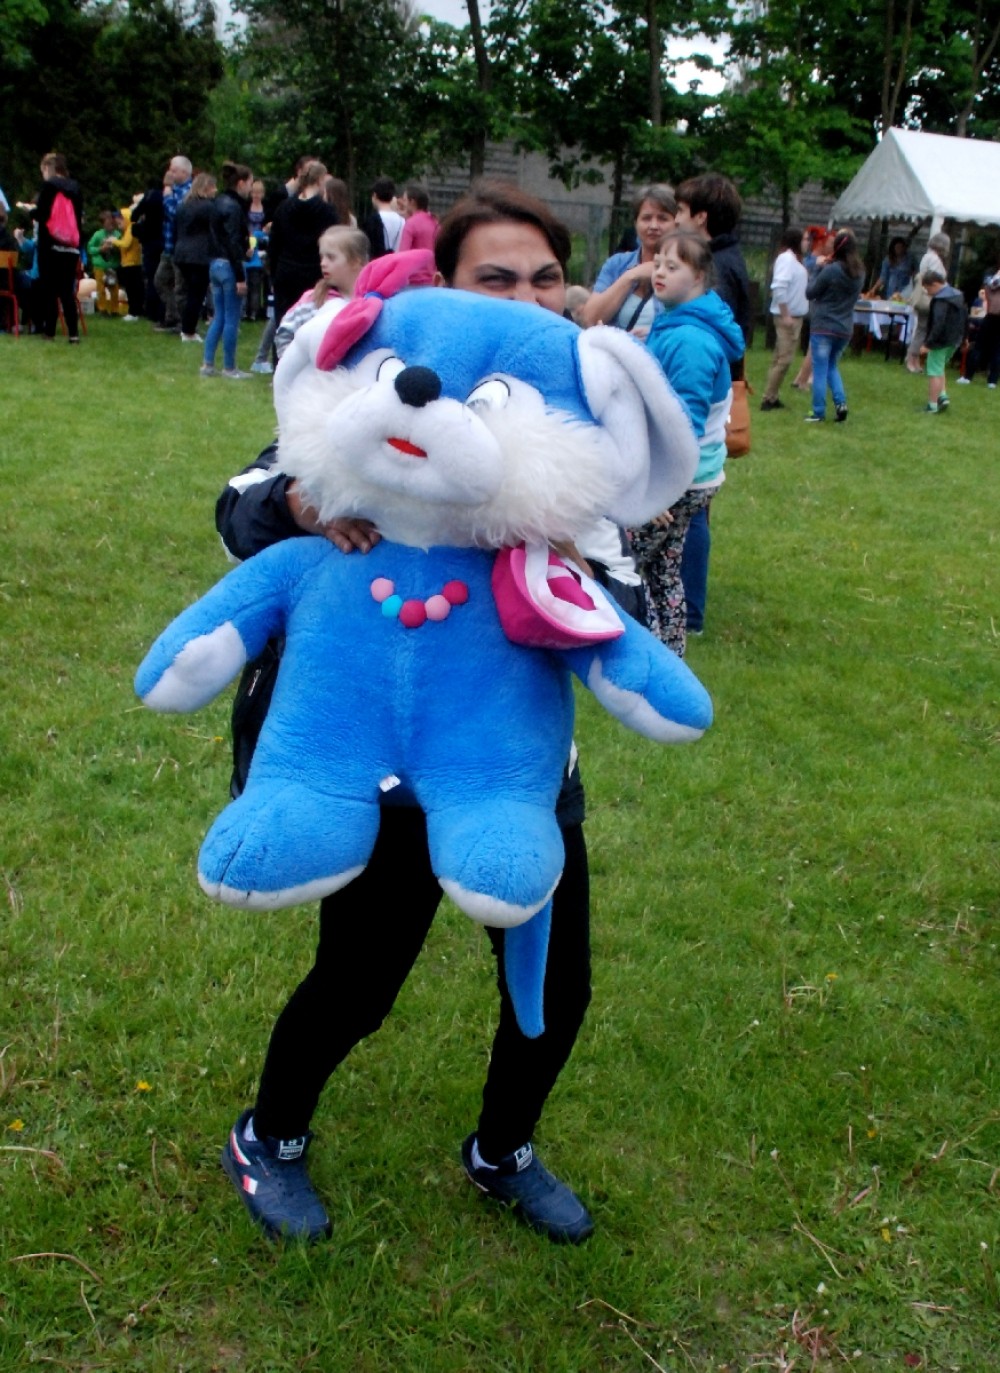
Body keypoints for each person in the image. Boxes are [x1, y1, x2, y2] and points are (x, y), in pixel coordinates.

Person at [213, 180, 655, 1248]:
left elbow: (630, 604)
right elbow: (240, 504)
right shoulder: (372, 396)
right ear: (441, 286)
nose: (527, 298)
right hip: (377, 767)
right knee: (359, 980)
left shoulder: (573, 437)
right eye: (495, 278)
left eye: (545, 278)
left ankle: (502, 1150)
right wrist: (306, 504)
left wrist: (559, 571)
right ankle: (268, 1134)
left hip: (515, 768)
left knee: (552, 987)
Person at [628, 230, 743, 657]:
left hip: (679, 477)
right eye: (657, 263)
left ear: (698, 277)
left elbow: (682, 425)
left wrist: (658, 486)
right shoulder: (679, 321)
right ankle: (669, 656)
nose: (659, 272)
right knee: (663, 570)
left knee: (622, 560)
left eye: (672, 267)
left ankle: (632, 652)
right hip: (691, 475)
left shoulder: (691, 340)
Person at [673, 173, 750, 639]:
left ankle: (690, 611)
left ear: (700, 218)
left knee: (695, 506)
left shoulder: (717, 267)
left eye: (680, 212)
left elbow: (708, 346)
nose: (675, 221)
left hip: (706, 402)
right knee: (697, 506)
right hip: (715, 395)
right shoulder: (728, 258)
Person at [580, 184, 675, 337]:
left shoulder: (686, 271)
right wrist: (630, 276)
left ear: (676, 224)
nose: (653, 226)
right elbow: (590, 319)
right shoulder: (617, 264)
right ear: (636, 223)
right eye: (646, 218)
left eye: (662, 218)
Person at [273, 225, 369, 355]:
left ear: (355, 262)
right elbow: (285, 334)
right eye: (322, 257)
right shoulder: (313, 301)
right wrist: (299, 363)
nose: (323, 263)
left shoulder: (374, 300)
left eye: (331, 257)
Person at [267, 160, 340, 333]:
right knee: (312, 327)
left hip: (286, 273)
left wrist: (273, 274)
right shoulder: (327, 212)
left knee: (284, 325)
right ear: (320, 180)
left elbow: (274, 246)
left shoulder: (284, 208)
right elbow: (335, 245)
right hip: (314, 275)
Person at [804, 229, 864, 423]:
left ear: (837, 247)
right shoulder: (859, 273)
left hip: (824, 326)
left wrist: (817, 269)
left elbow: (810, 292)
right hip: (845, 328)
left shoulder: (831, 270)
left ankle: (818, 411)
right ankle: (841, 403)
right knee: (831, 366)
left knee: (820, 369)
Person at [201, 162, 253, 379]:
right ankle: (229, 367)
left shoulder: (217, 202)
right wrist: (240, 275)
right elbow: (232, 241)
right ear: (241, 183)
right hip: (229, 265)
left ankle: (208, 363)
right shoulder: (234, 207)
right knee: (232, 318)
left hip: (214, 263)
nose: (251, 188)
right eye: (250, 183)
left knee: (219, 316)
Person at [27, 151, 84, 343]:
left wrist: (31, 211)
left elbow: (42, 214)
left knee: (49, 290)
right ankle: (73, 334)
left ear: (48, 168)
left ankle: (49, 332)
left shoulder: (49, 186)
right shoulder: (75, 187)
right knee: (67, 291)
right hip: (71, 245)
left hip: (50, 244)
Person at [760, 227, 808, 411]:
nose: (807, 243)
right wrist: (786, 314)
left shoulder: (794, 260)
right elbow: (779, 287)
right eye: (804, 239)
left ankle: (772, 395)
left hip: (794, 315)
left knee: (780, 357)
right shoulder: (787, 259)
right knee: (784, 360)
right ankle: (768, 398)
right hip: (787, 317)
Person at [174, 172, 217, 343]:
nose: (216, 190)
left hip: (181, 253)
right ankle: (189, 330)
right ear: (206, 187)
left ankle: (186, 326)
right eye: (213, 187)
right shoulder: (208, 207)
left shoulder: (183, 205)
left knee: (188, 293)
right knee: (196, 294)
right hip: (199, 255)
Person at [919, 270, 968, 414]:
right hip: (955, 340)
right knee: (940, 367)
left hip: (940, 341)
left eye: (927, 288)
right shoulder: (958, 295)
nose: (928, 292)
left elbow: (938, 323)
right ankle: (942, 395)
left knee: (934, 371)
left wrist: (928, 344)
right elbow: (965, 317)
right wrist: (965, 337)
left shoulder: (941, 299)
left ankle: (932, 405)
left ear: (934, 284)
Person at [154, 155, 193, 333]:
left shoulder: (189, 192)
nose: (169, 173)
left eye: (173, 170)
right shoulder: (174, 189)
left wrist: (168, 191)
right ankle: (172, 316)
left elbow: (175, 214)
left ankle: (184, 324)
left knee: (180, 288)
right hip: (168, 247)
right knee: (160, 281)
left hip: (180, 248)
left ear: (184, 172)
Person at [906, 232, 951, 374]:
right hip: (927, 298)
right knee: (923, 330)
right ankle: (911, 359)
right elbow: (935, 279)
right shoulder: (934, 259)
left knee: (922, 329)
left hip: (923, 297)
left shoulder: (927, 256)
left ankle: (915, 360)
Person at [957, 261, 1000, 389]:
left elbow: (990, 285)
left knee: (979, 346)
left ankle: (968, 376)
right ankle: (992, 381)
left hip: (991, 315)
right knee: (997, 349)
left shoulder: (992, 277)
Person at [114, 197, 146, 321]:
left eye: (120, 219)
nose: (118, 222)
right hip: (129, 263)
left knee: (132, 289)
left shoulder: (131, 229)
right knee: (133, 289)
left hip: (132, 264)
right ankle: (136, 311)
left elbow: (126, 244)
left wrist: (114, 241)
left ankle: (133, 312)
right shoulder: (128, 229)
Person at [87, 210, 122, 316]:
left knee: (114, 288)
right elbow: (90, 248)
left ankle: (114, 309)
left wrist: (116, 247)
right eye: (108, 223)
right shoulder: (98, 235)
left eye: (112, 223)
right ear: (103, 224)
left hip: (112, 266)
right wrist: (100, 249)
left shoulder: (118, 234)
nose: (110, 225)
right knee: (101, 288)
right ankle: (102, 309)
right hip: (100, 266)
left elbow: (122, 248)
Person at [362, 176, 404, 259]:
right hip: (398, 261)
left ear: (374, 195)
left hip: (378, 262)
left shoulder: (372, 221)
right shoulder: (403, 221)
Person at [399, 183, 439, 253]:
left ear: (412, 202)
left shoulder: (411, 223)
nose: (403, 204)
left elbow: (403, 253)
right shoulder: (435, 222)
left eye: (405, 200)